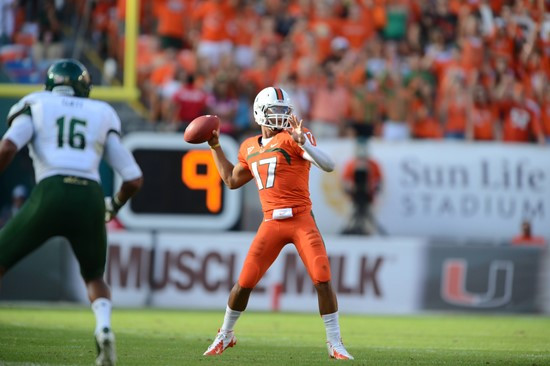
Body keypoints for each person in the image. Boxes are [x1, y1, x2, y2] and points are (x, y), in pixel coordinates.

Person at [0, 59, 143, 366]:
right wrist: (113, 205)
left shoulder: (37, 103)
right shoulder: (101, 112)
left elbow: (8, 147)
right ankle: (103, 328)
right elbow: (133, 177)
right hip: (90, 195)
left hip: (50, 189)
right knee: (94, 276)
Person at [203, 86, 353, 360]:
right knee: (244, 282)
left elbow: (329, 165)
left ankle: (334, 342)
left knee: (322, 275)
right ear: (260, 113)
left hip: (300, 218)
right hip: (271, 222)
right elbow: (231, 180)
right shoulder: (249, 146)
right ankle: (225, 334)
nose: (282, 117)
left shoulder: (294, 137)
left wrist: (304, 143)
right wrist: (214, 146)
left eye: (285, 111)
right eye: (276, 111)